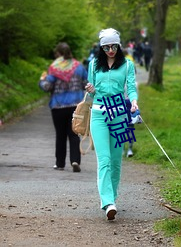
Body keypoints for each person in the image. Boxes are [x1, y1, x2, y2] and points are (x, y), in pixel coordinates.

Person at [85, 28, 138, 220]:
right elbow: (91, 94)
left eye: (114, 46)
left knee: (116, 161)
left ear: (119, 45)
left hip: (119, 114)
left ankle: (113, 198)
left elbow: (131, 87)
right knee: (104, 159)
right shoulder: (93, 65)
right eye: (106, 47)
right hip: (98, 114)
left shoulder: (127, 65)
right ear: (101, 47)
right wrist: (90, 89)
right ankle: (107, 202)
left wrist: (133, 101)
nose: (110, 50)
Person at [39, 42, 88, 172]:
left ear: (58, 54)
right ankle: (75, 160)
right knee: (74, 134)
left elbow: (47, 87)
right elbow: (86, 84)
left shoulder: (54, 68)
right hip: (75, 106)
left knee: (60, 135)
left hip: (58, 106)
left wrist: (42, 80)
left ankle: (60, 163)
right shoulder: (79, 67)